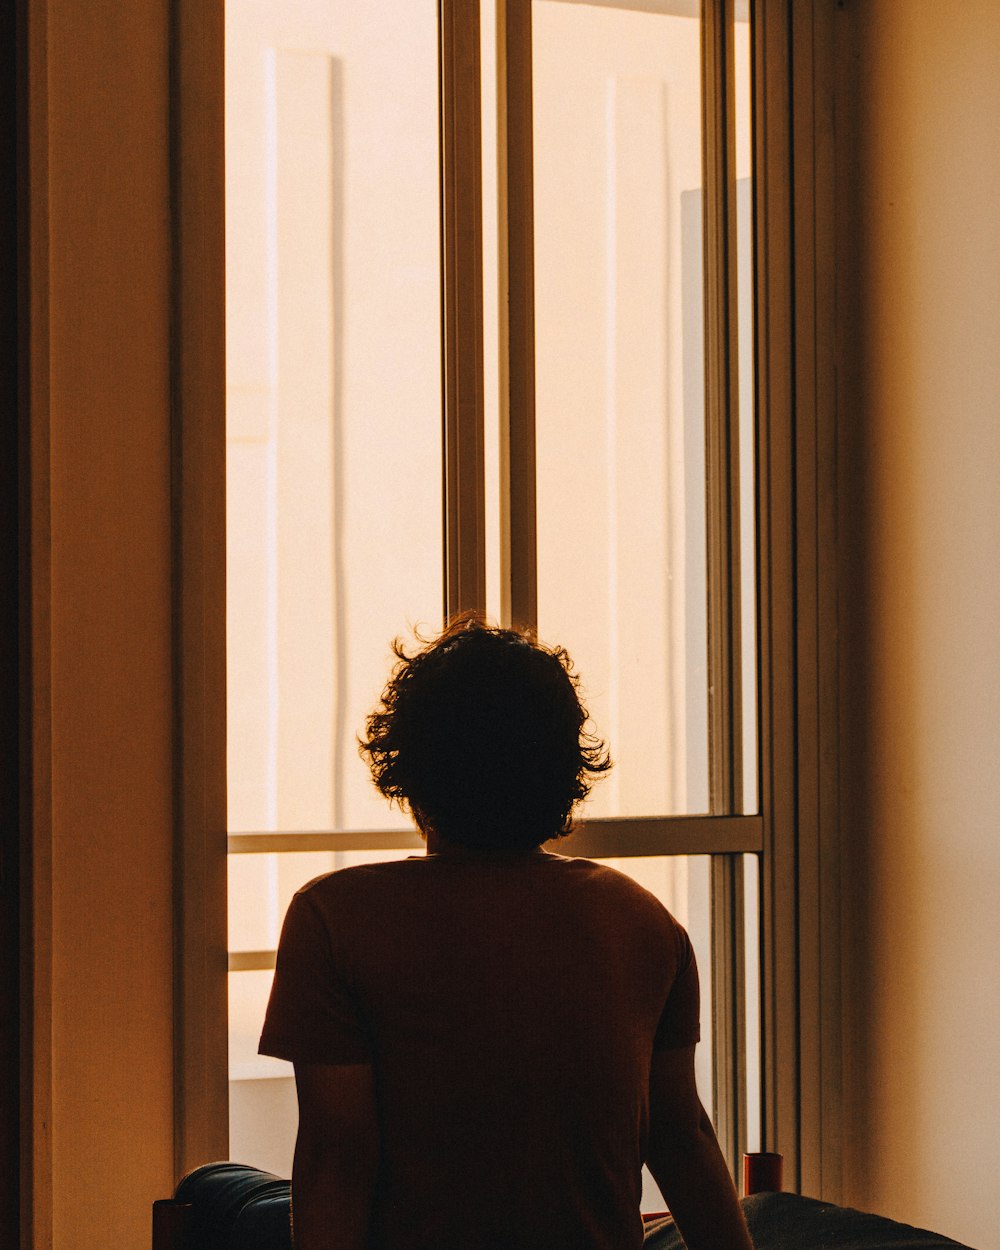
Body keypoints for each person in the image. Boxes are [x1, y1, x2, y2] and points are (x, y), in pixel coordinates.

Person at [259, 616, 755, 1250]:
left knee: (224, 1190)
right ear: (563, 767)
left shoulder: (336, 918)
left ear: (409, 765)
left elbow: (338, 1161)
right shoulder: (644, 920)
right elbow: (682, 1140)